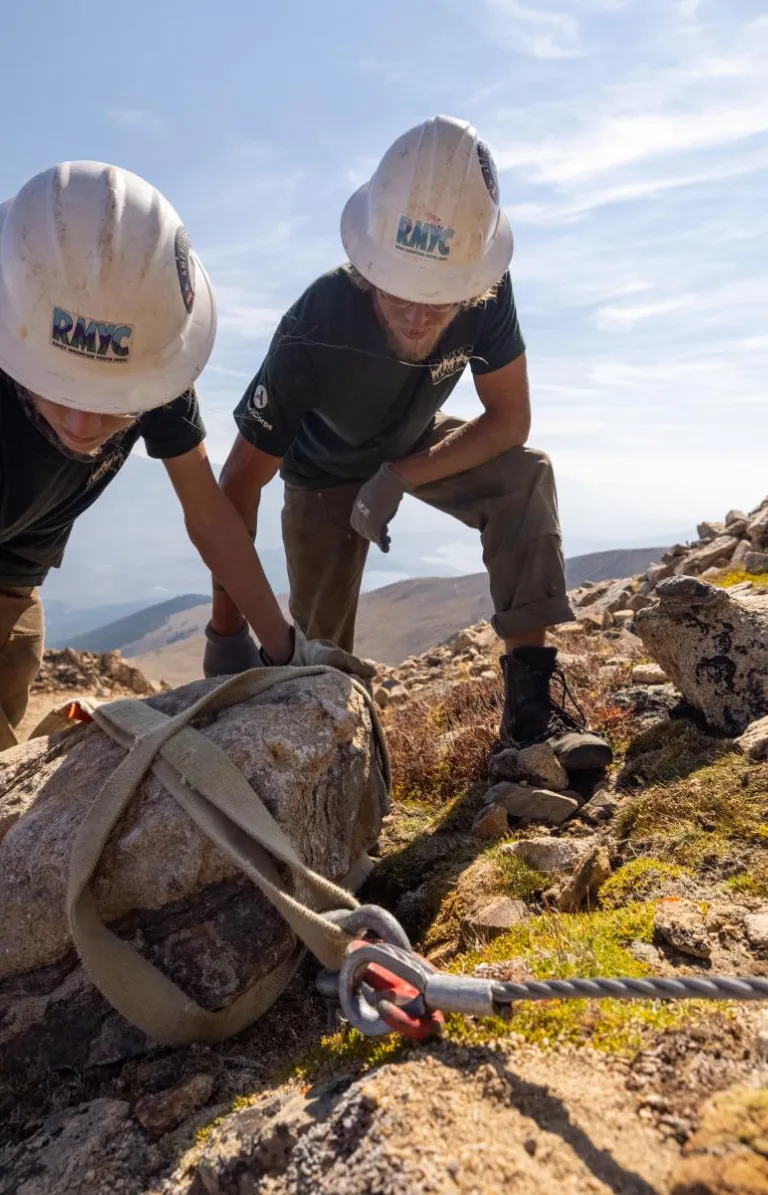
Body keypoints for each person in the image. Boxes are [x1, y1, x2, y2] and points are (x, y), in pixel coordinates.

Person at [204, 116, 611, 773]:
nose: (421, 316)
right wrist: (225, 635)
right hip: (320, 475)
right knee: (318, 660)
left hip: (414, 439)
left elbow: (509, 420)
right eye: (402, 292)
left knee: (525, 476)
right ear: (368, 265)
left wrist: (400, 474)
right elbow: (239, 482)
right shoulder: (315, 327)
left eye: (442, 299)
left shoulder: (486, 288)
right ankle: (329, 781)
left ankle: (533, 717)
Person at [0, 160, 368, 749]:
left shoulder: (151, 364)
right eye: (59, 388)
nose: (81, 423)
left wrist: (283, 646)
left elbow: (209, 514)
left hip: (18, 585)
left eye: (111, 399)